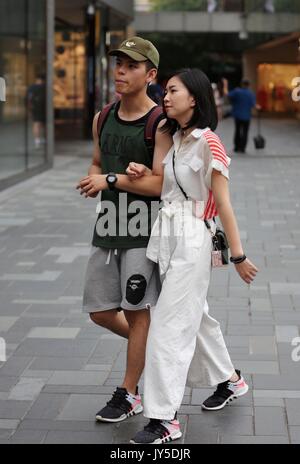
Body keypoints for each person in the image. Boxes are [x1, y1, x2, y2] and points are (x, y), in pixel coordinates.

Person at [125, 68, 258, 444]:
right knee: (194, 316)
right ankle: (230, 380)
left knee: (168, 325)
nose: (164, 96)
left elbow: (224, 204)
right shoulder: (177, 138)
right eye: (164, 90)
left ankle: (164, 419)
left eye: (172, 91)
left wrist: (239, 255)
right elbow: (169, 187)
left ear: (194, 98)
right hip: (167, 235)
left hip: (192, 239)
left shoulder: (209, 143)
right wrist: (138, 172)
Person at [76, 37, 172, 423]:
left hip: (143, 232)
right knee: (99, 311)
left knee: (137, 313)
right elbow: (96, 162)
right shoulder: (103, 117)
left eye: (131, 66)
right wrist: (93, 178)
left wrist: (110, 180)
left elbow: (160, 184)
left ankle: (129, 392)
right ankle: (149, 346)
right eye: (118, 63)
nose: (120, 71)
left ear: (150, 75)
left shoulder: (159, 123)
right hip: (107, 227)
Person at [223, 78, 256, 154]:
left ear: (242, 84)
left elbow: (226, 94)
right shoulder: (250, 94)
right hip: (246, 116)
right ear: (249, 85)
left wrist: (225, 84)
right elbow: (254, 105)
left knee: (237, 131)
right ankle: (243, 148)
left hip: (237, 116)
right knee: (245, 132)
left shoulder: (237, 91)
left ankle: (237, 147)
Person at [27, 74, 46, 149]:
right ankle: (43, 138)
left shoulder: (32, 87)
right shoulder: (45, 87)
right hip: (44, 107)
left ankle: (37, 140)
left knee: (36, 123)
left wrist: (29, 108)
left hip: (35, 107)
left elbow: (29, 98)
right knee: (43, 124)